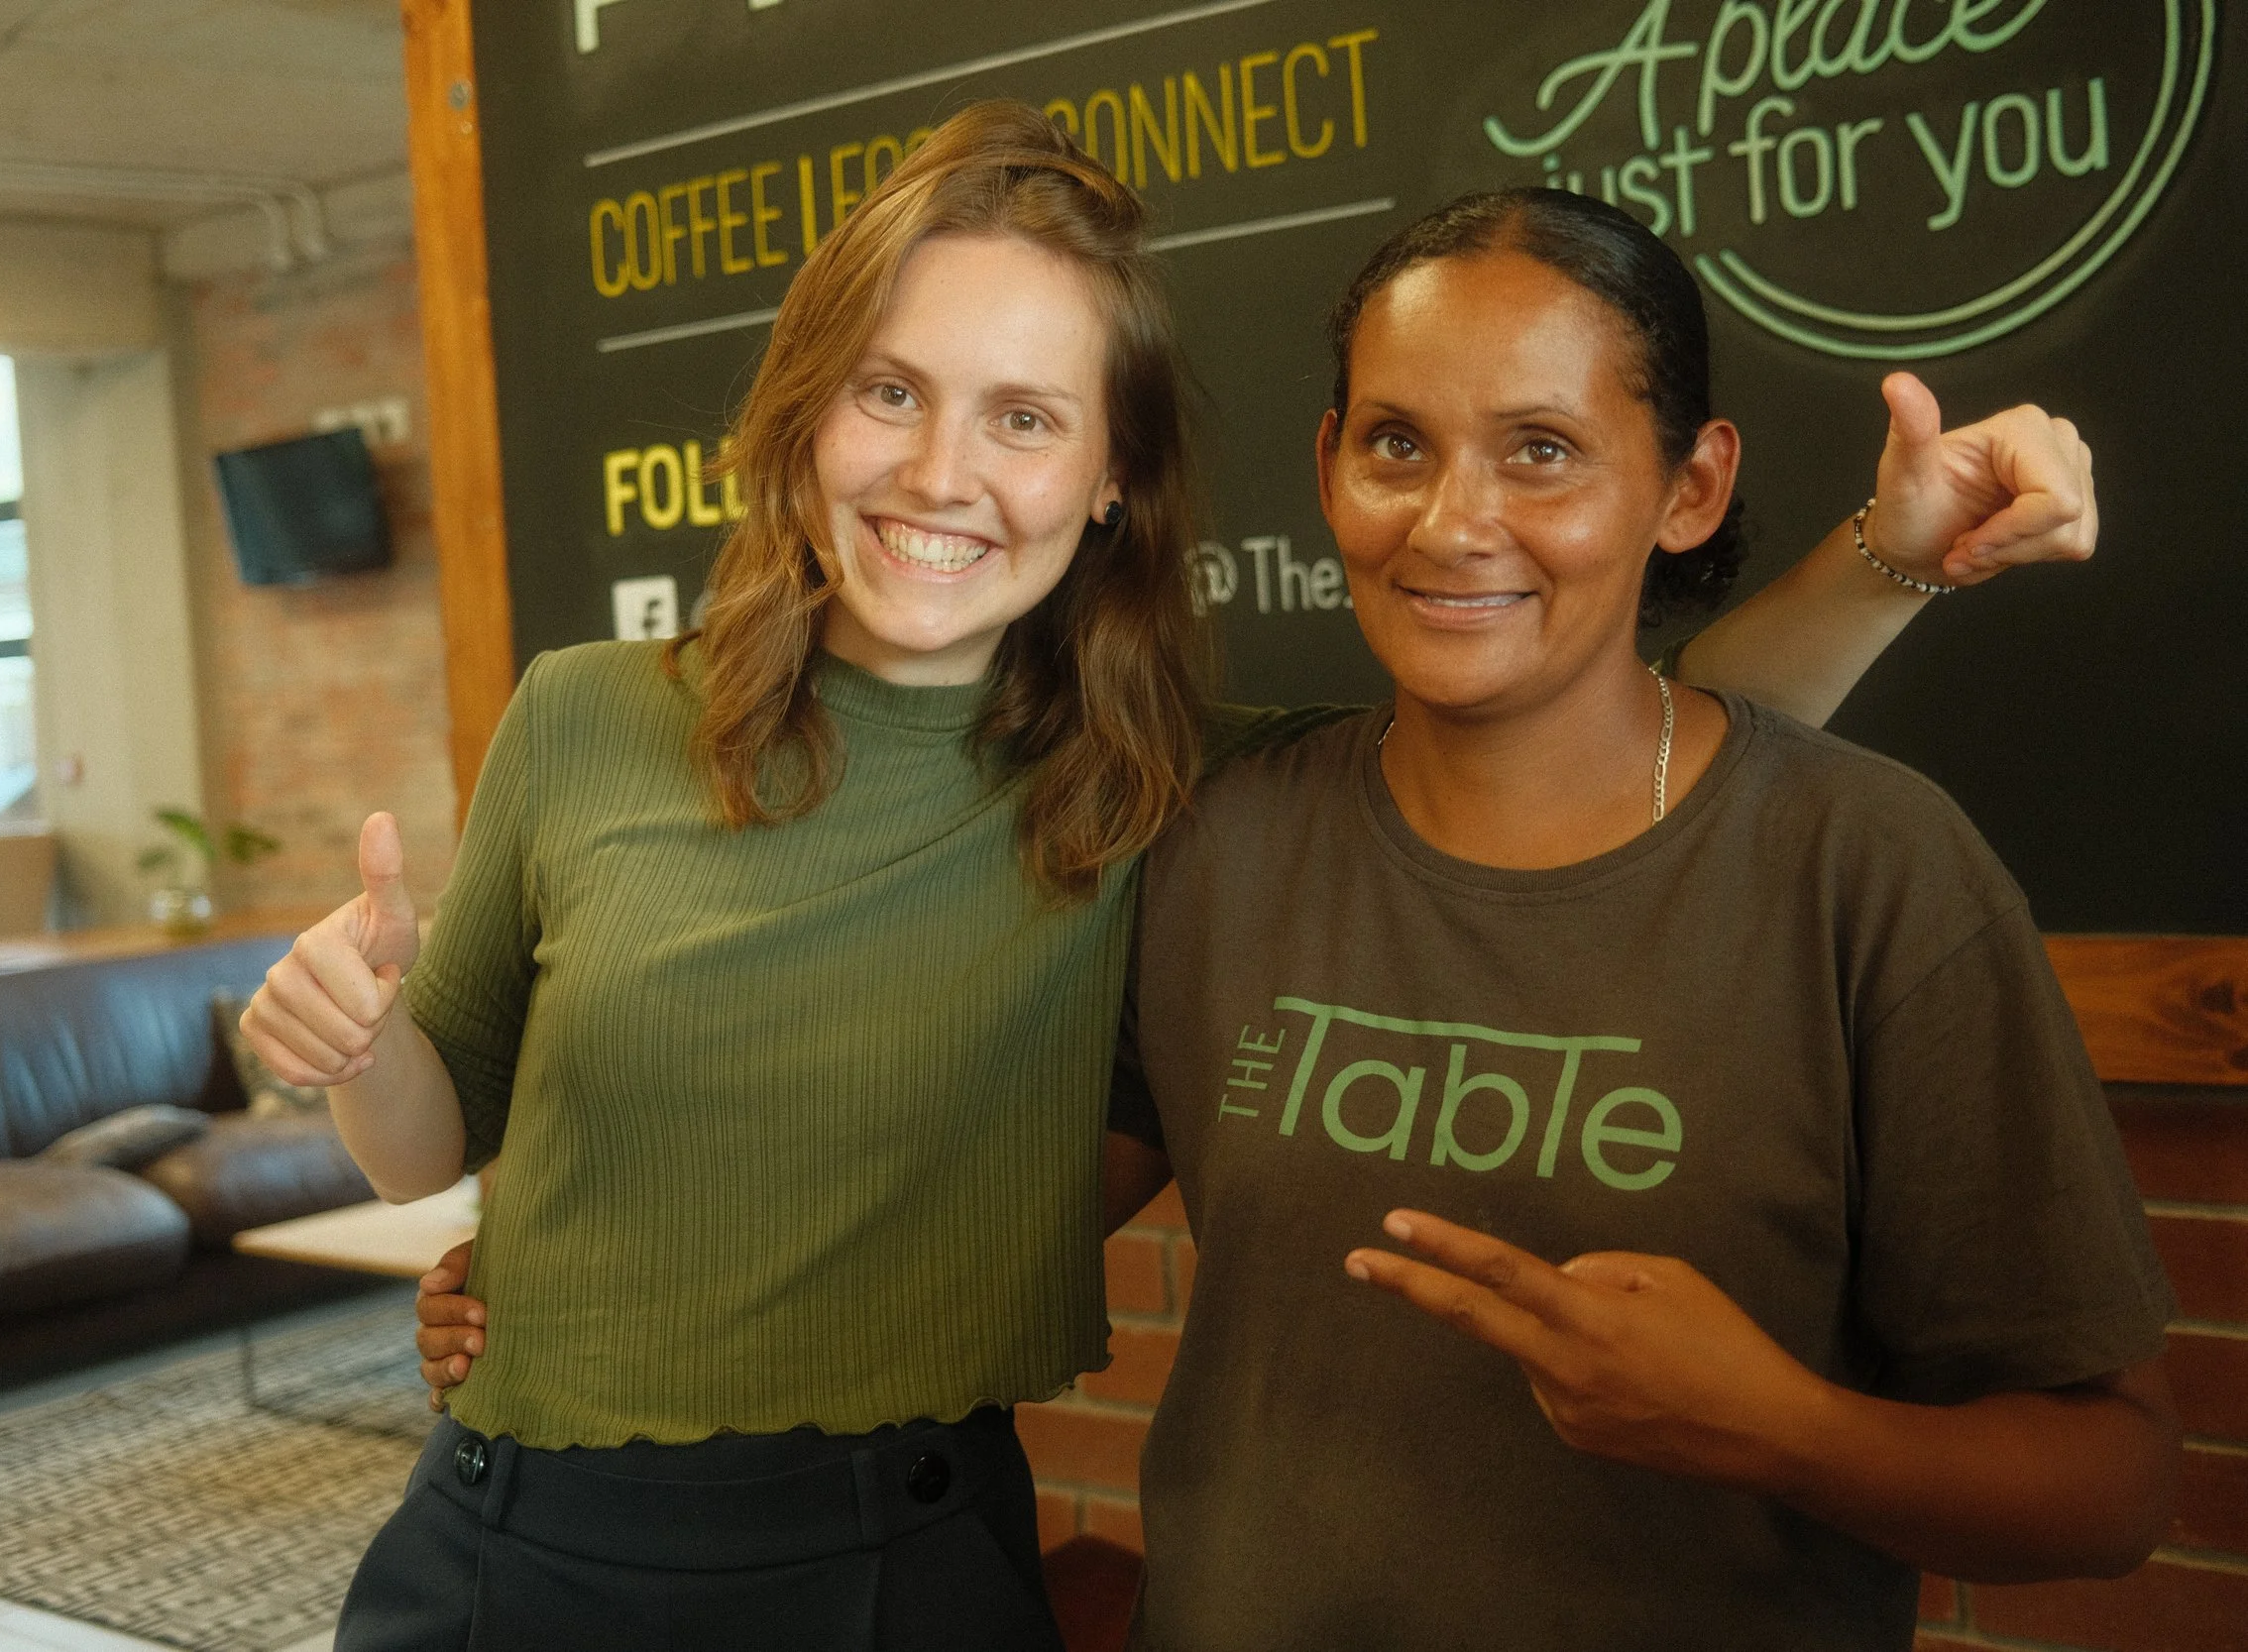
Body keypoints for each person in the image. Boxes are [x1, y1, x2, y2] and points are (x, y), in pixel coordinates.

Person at [289, 105, 2094, 1650]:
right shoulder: (626, 721)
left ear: (1111, 484)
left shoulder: (1152, 778)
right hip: (508, 1522)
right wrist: (459, 1162)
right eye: (890, 391)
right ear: (804, 409)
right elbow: (440, 1141)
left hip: (890, 1542)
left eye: (1023, 416)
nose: (938, 470)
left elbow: (1626, 751)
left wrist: (1891, 561)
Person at [1096, 188, 2173, 1650]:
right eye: (1395, 442)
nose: (1451, 520)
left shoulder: (1874, 870)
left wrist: (1778, 1425)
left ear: (1692, 486)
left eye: (1542, 450)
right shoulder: (1219, 840)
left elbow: (2111, 1485)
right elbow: (989, 1231)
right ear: (1329, 464)